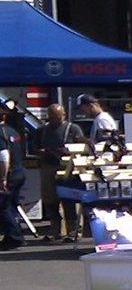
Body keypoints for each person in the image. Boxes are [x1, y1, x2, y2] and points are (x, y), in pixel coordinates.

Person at [39, 103, 85, 241]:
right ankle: (55, 231)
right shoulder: (42, 130)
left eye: (59, 116)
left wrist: (65, 151)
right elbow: (35, 145)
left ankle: (74, 231)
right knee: (50, 201)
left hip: (67, 168)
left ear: (64, 115)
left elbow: (81, 147)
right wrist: (43, 152)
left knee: (69, 199)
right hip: (48, 167)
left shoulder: (73, 128)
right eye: (53, 117)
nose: (56, 119)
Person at [0, 100, 27, 250]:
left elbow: (4, 156)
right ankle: (11, 237)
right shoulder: (12, 131)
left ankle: (15, 237)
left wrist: (3, 178)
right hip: (19, 172)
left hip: (8, 175)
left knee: (3, 207)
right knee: (11, 207)